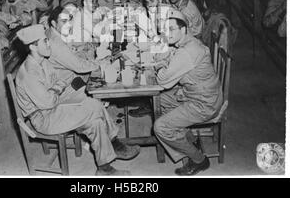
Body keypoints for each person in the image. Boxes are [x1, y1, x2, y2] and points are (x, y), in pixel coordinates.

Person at [15, 24, 140, 176]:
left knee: (95, 120)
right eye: (45, 42)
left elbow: (64, 79)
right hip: (43, 118)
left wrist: (58, 87)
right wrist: (58, 87)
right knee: (93, 107)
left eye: (48, 40)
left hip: (54, 104)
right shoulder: (29, 73)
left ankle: (104, 167)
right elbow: (48, 101)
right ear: (33, 47)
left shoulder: (43, 61)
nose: (49, 44)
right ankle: (113, 144)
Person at [153, 10, 222, 176]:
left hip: (204, 104)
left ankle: (199, 160)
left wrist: (158, 66)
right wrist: (166, 61)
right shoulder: (189, 43)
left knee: (160, 127)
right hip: (202, 94)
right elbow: (176, 62)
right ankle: (189, 139)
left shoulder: (187, 52)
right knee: (161, 99)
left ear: (183, 30)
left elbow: (163, 79)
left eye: (171, 29)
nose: (166, 33)